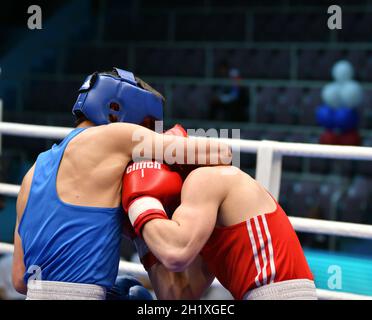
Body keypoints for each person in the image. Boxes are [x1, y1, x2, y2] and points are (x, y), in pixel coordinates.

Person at [12, 67, 231, 300]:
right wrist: (174, 139)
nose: (148, 133)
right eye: (148, 125)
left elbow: (19, 279)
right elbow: (220, 153)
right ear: (115, 110)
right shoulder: (115, 136)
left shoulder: (32, 173)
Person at [122, 164, 316, 300]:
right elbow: (179, 295)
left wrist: (139, 202)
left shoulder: (207, 178)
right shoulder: (206, 223)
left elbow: (175, 253)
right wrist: (141, 236)